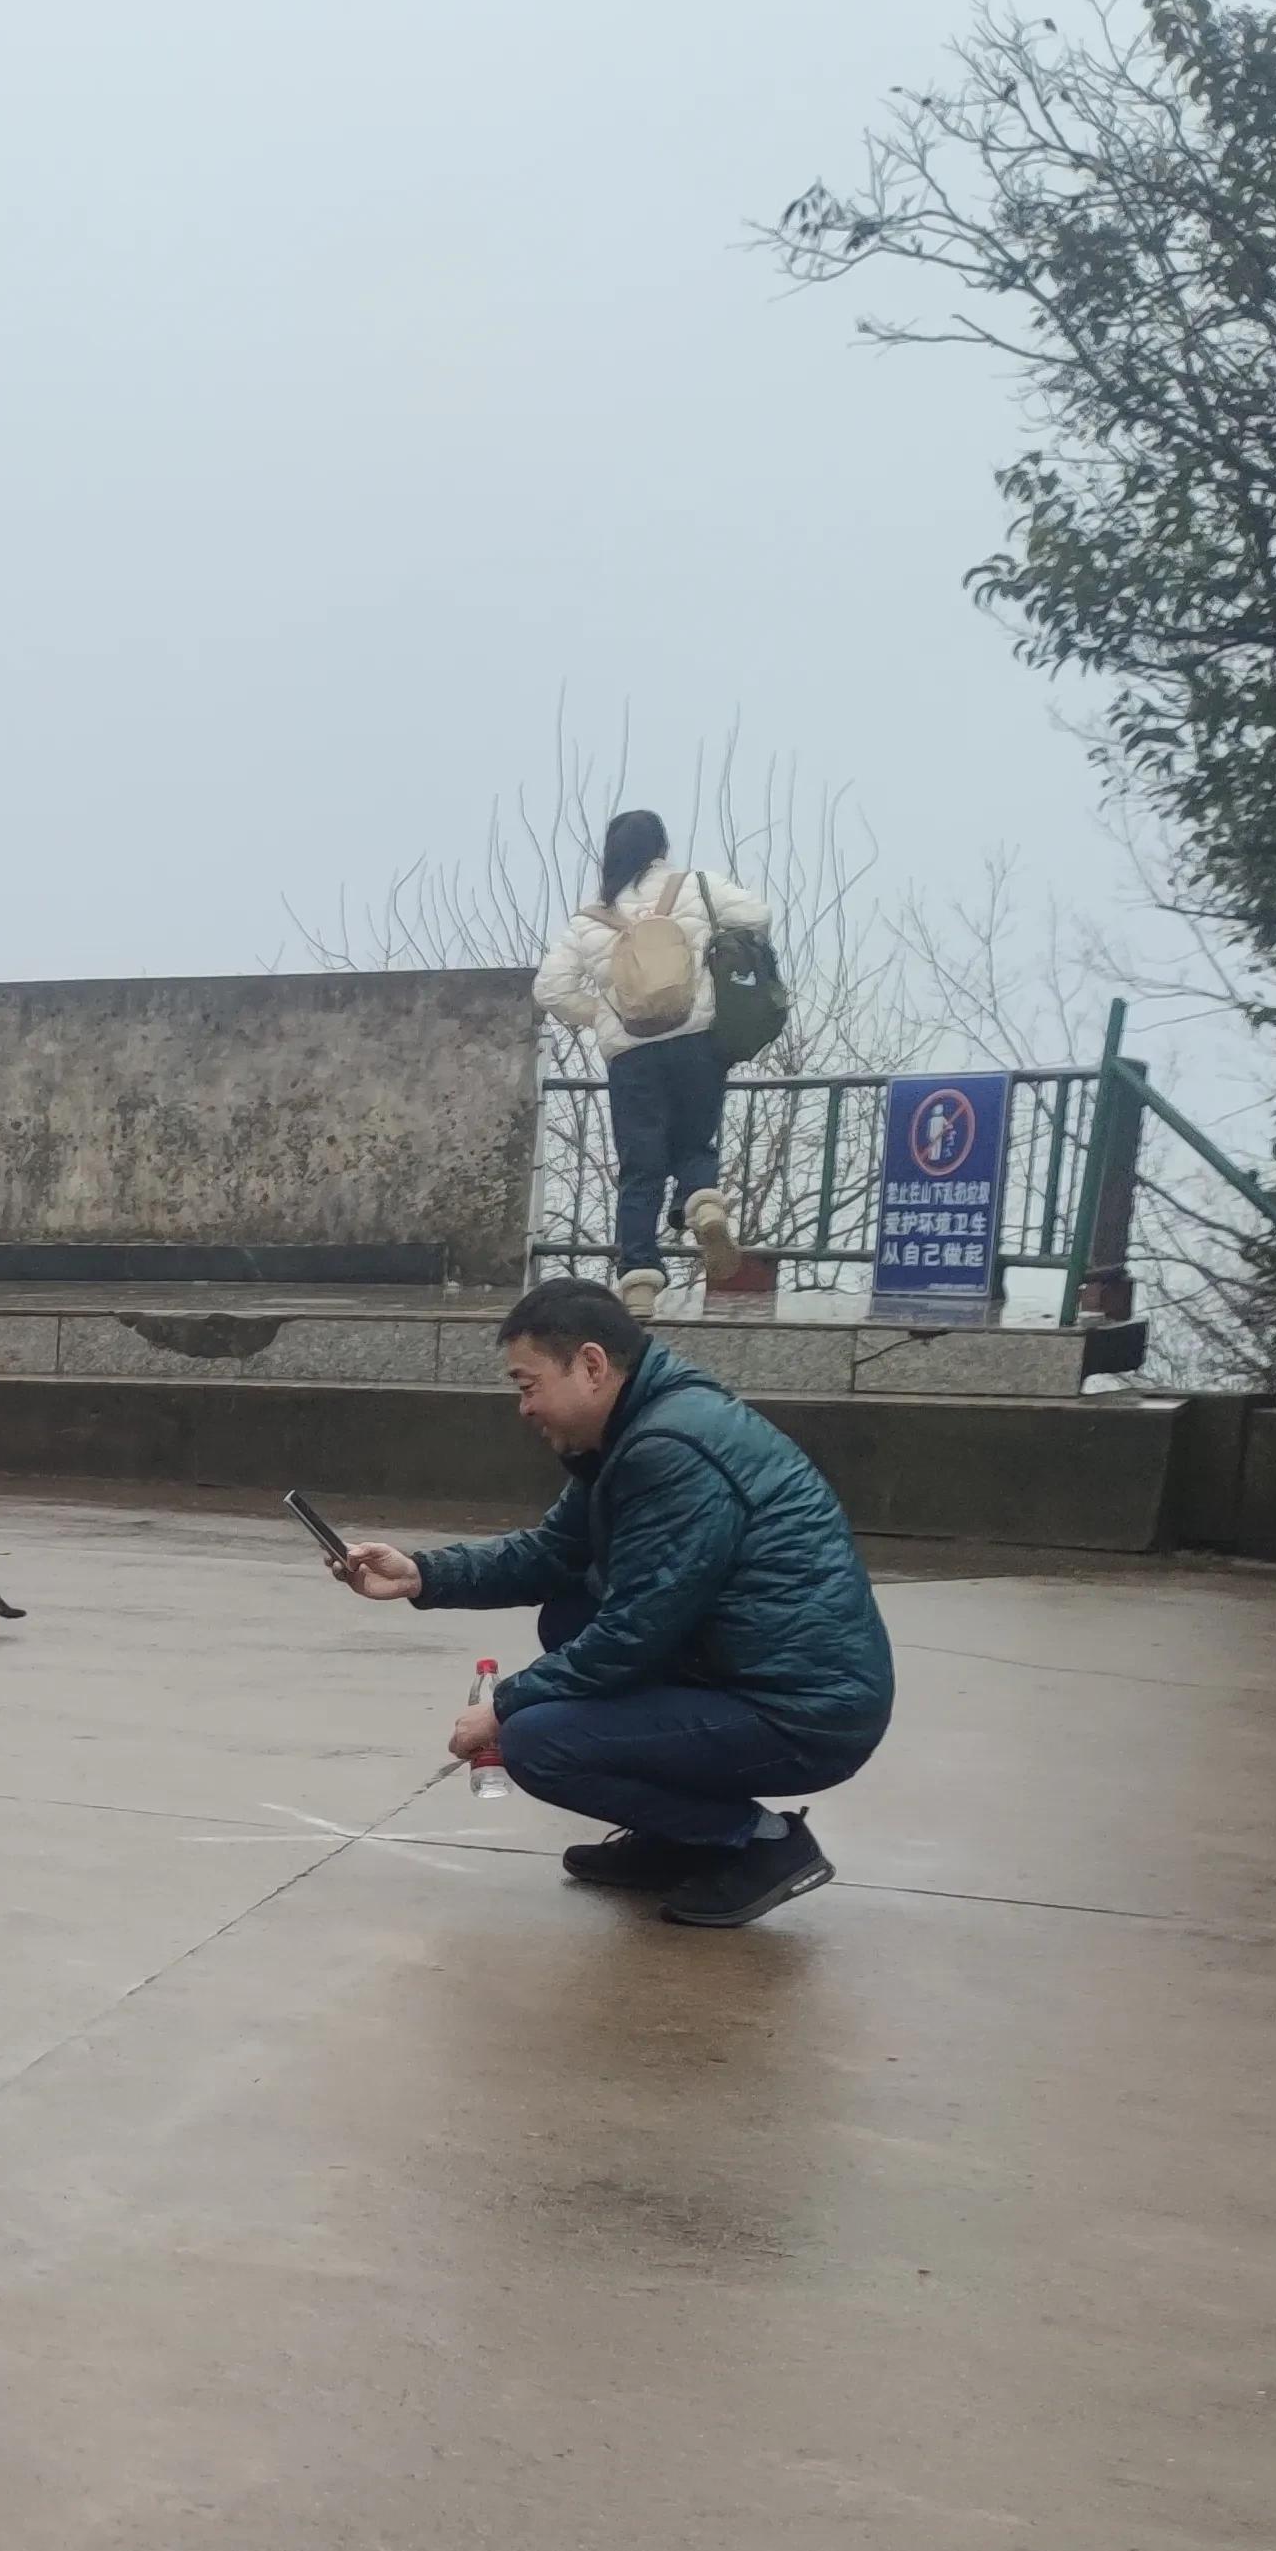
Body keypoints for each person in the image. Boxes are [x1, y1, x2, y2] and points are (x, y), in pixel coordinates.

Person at [327, 1277, 887, 1929]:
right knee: (569, 1615)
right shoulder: (635, 1430)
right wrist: (421, 1575)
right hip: (755, 1672)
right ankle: (680, 1840)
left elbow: (636, 1631)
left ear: (591, 1366)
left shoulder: (669, 1449)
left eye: (528, 1384)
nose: (524, 1408)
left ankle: (762, 1843)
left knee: (538, 1742)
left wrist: (505, 1707)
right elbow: (552, 1555)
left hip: (806, 1713)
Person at [533, 807, 770, 1278]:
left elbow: (550, 989)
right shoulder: (696, 885)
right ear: (661, 848)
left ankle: (639, 1275)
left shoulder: (589, 919)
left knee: (640, 1166)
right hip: (696, 1039)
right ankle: (703, 1203)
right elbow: (758, 915)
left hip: (632, 1054)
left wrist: (604, 1014)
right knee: (695, 1143)